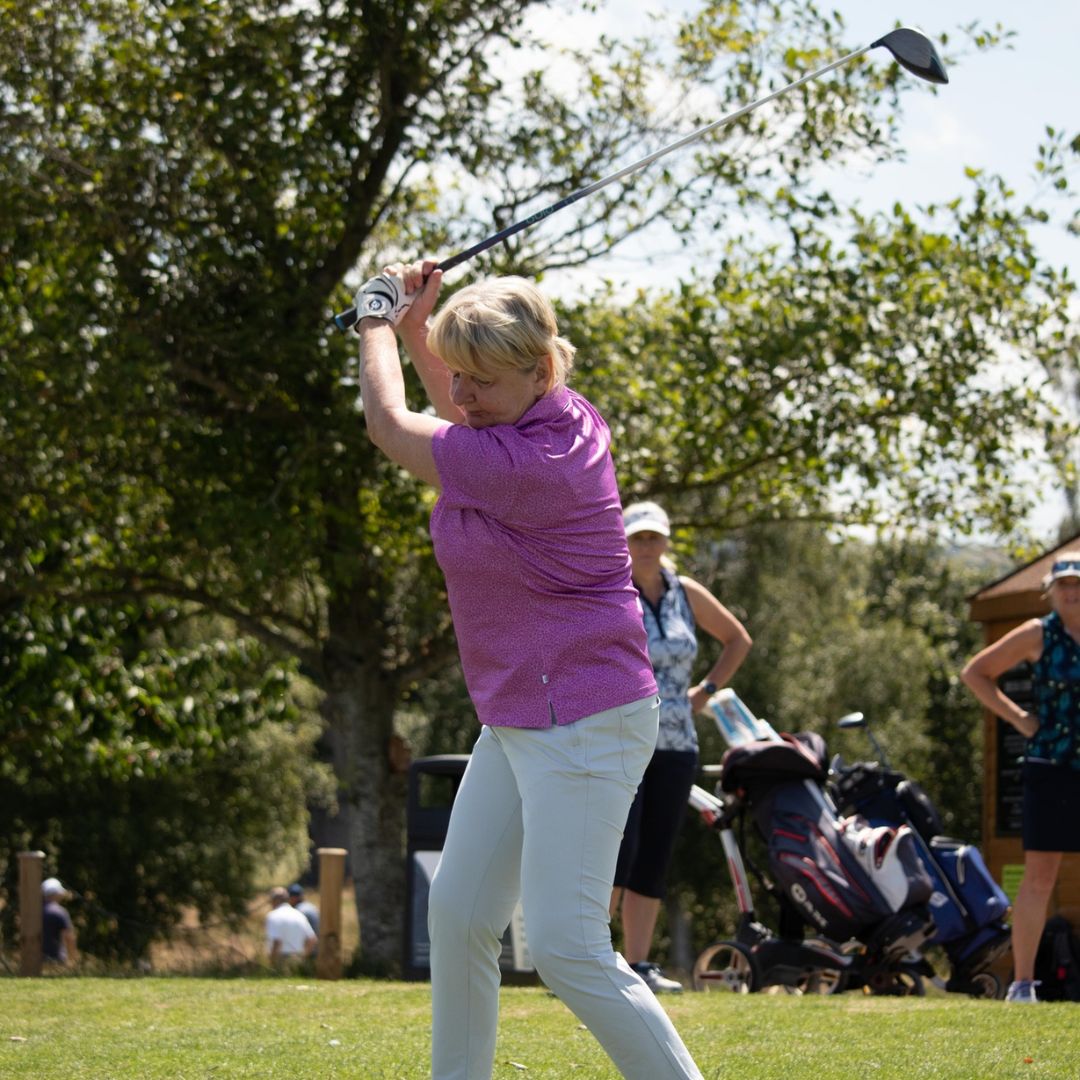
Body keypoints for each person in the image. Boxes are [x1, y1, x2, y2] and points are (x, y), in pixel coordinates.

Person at [353, 261, 702, 1080]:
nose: (465, 399)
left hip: (584, 718)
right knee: (463, 913)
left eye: (483, 381)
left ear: (540, 371)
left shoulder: (528, 467)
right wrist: (416, 328)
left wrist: (373, 319)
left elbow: (390, 425)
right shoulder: (548, 419)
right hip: (521, 718)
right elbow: (461, 415)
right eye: (461, 378)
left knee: (567, 948)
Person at [610, 500, 753, 993]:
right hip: (621, 737)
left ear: (667, 541)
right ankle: (586, 959)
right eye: (637, 537)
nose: (646, 545)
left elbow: (738, 639)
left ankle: (638, 964)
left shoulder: (685, 593)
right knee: (615, 848)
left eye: (654, 536)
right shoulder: (610, 589)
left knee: (653, 852)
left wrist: (706, 692)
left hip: (676, 742)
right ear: (623, 540)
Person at [961, 552, 1080, 1004]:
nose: (1073, 591)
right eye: (1064, 584)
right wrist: (1017, 719)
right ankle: (1023, 984)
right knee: (1038, 876)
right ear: (1051, 590)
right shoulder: (1037, 634)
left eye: (1079, 584)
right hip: (1050, 765)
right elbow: (975, 673)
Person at [265, 886, 316, 965]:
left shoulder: (273, 916)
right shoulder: (299, 914)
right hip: (298, 958)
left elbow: (277, 942)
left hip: (281, 959)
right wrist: (303, 957)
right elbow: (312, 939)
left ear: (275, 900)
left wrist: (272, 963)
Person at [41, 877, 78, 967]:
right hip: (56, 960)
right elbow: (69, 937)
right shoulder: (60, 912)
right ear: (56, 893)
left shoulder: (34, 912)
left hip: (37, 960)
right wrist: (72, 960)